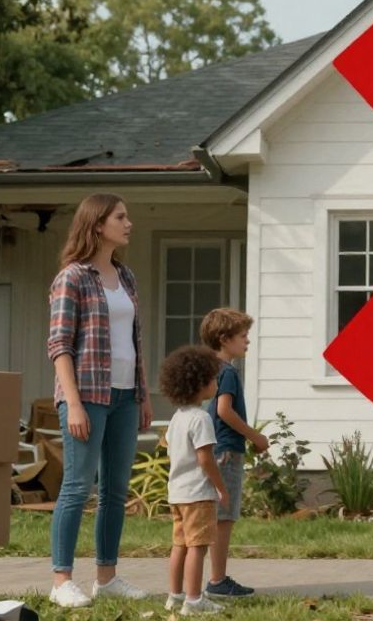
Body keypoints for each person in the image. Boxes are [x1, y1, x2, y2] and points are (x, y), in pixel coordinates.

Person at [46, 193, 152, 608]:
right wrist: (72, 403)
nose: (128, 224)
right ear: (97, 225)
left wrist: (141, 394)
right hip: (87, 395)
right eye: (120, 217)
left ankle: (106, 578)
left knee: (115, 490)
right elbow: (59, 345)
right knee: (77, 486)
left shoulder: (126, 278)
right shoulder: (71, 278)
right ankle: (61, 581)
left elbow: (133, 341)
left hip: (125, 397)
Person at [200, 307, 270, 598]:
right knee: (223, 517)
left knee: (217, 516)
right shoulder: (226, 372)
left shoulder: (210, 368)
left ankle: (215, 578)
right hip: (226, 450)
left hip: (215, 448)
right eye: (243, 336)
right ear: (224, 338)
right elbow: (223, 410)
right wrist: (256, 436)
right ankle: (217, 581)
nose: (247, 341)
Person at [161, 345, 229, 616]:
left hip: (177, 493)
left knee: (179, 545)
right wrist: (221, 487)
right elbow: (204, 458)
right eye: (213, 379)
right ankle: (193, 600)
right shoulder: (201, 419)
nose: (216, 383)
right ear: (199, 384)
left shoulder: (177, 419)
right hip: (198, 495)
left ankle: (174, 596)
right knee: (198, 548)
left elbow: (178, 453)